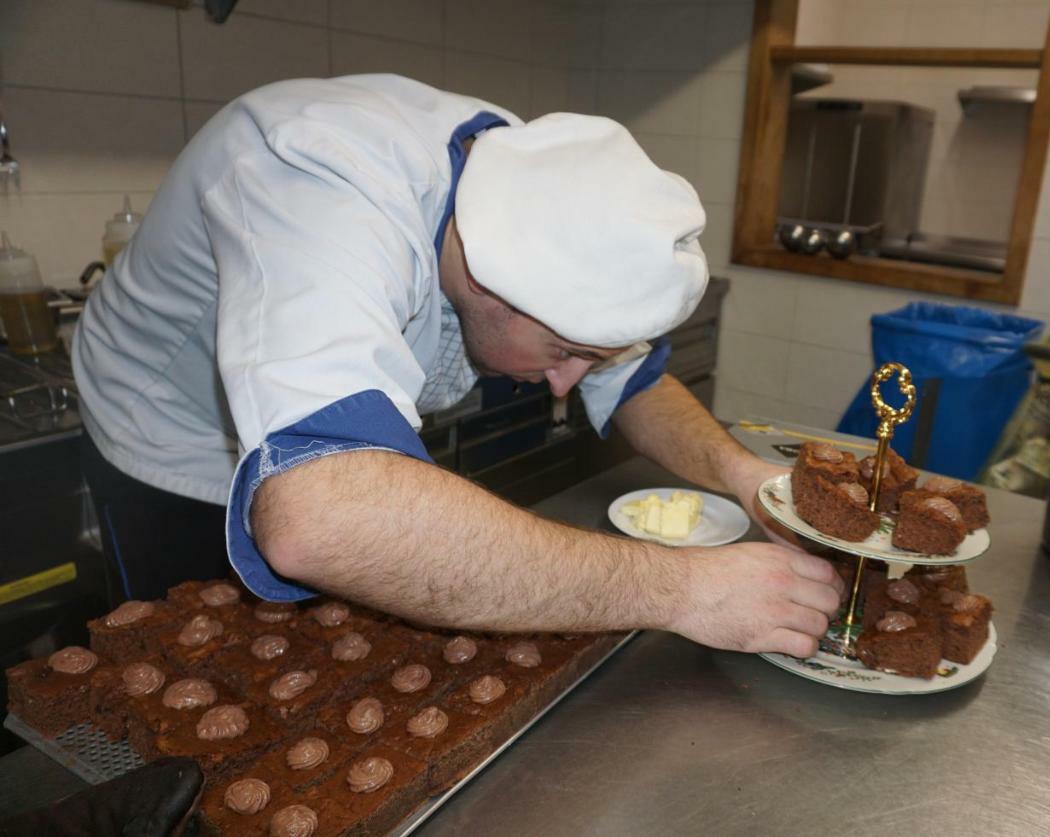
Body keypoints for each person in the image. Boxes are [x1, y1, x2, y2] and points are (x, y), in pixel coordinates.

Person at [72, 75, 840, 658]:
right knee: (197, 667)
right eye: (566, 353)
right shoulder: (318, 183)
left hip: (319, 462)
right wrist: (683, 588)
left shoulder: (526, 183)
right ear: (480, 279)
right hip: (171, 439)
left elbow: (631, 376)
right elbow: (321, 520)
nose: (570, 383)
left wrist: (747, 478)